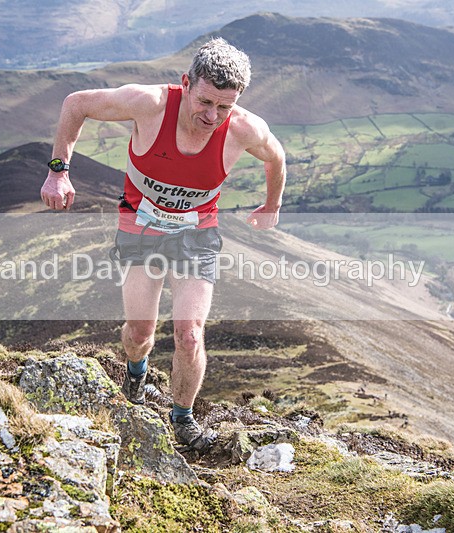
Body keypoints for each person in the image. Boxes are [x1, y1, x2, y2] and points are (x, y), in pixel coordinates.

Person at [41, 37, 286, 452]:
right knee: (140, 331)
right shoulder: (149, 104)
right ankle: (136, 374)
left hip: (196, 234)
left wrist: (272, 205)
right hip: (140, 225)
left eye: (223, 107)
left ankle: (182, 419)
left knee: (190, 334)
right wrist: (58, 172)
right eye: (205, 102)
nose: (212, 116)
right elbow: (75, 103)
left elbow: (276, 157)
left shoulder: (244, 128)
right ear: (186, 82)